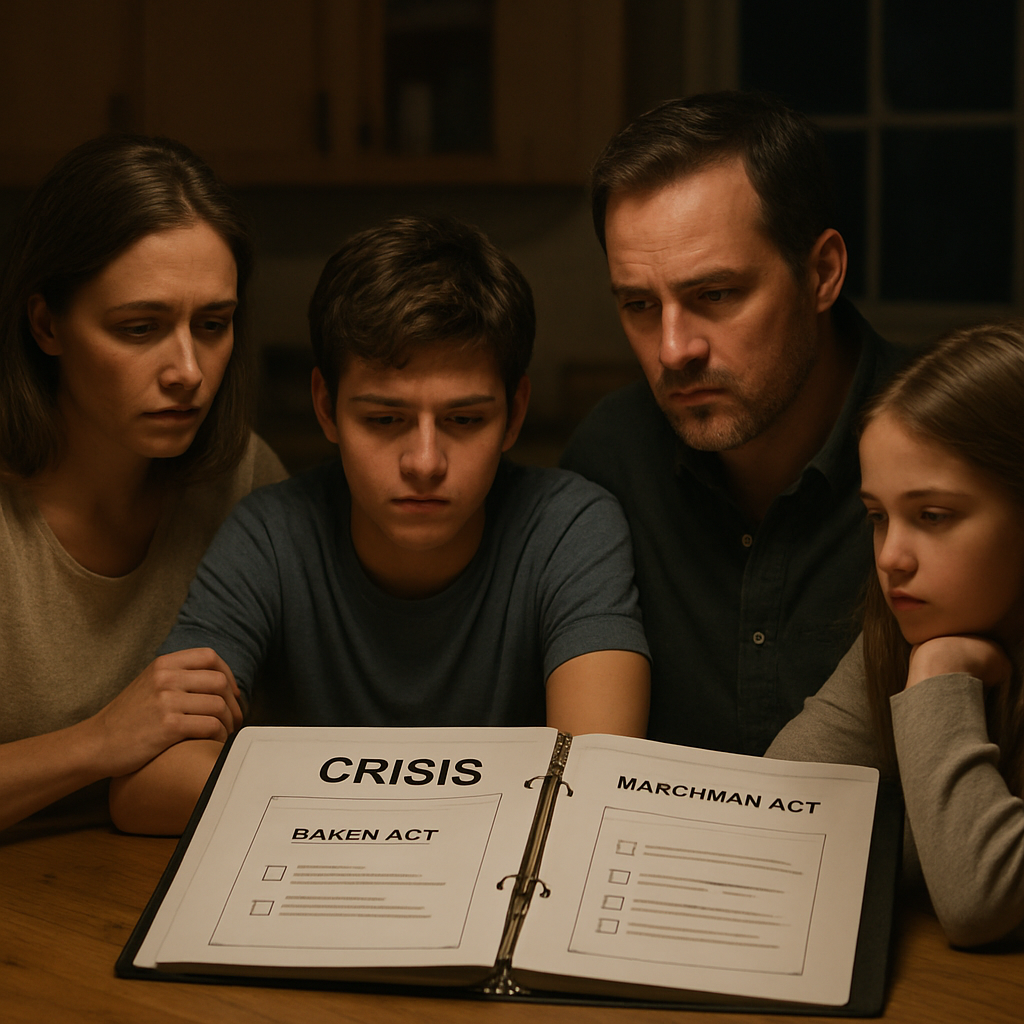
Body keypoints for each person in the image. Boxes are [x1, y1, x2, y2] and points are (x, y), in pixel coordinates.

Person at [110, 215, 651, 835]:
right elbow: (147, 783)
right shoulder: (271, 534)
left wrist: (306, 799)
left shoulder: (569, 527)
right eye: (386, 420)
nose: (425, 463)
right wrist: (392, 822)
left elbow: (597, 782)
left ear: (515, 413)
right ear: (325, 407)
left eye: (465, 420)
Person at [561, 91, 905, 755]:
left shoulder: (954, 458)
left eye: (714, 295)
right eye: (638, 304)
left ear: (822, 273)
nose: (672, 350)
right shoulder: (610, 461)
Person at [0, 134, 287, 834]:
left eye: (213, 324)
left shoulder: (242, 477)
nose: (188, 369)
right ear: (47, 324)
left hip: (155, 879)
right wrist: (99, 741)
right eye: (140, 328)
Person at [768, 322, 1024, 947]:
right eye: (879, 517)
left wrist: (938, 678)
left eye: (932, 516)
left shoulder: (930, 651)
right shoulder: (905, 634)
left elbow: (980, 901)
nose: (891, 557)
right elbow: (772, 810)